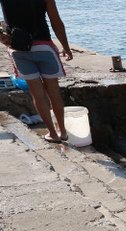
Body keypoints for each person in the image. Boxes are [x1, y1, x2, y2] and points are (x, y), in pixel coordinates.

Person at [0, 0, 72, 143]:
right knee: (54, 93)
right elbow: (56, 22)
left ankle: (53, 134)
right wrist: (66, 47)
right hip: (44, 47)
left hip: (19, 49)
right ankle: (63, 132)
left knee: (38, 95)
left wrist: (1, 35)